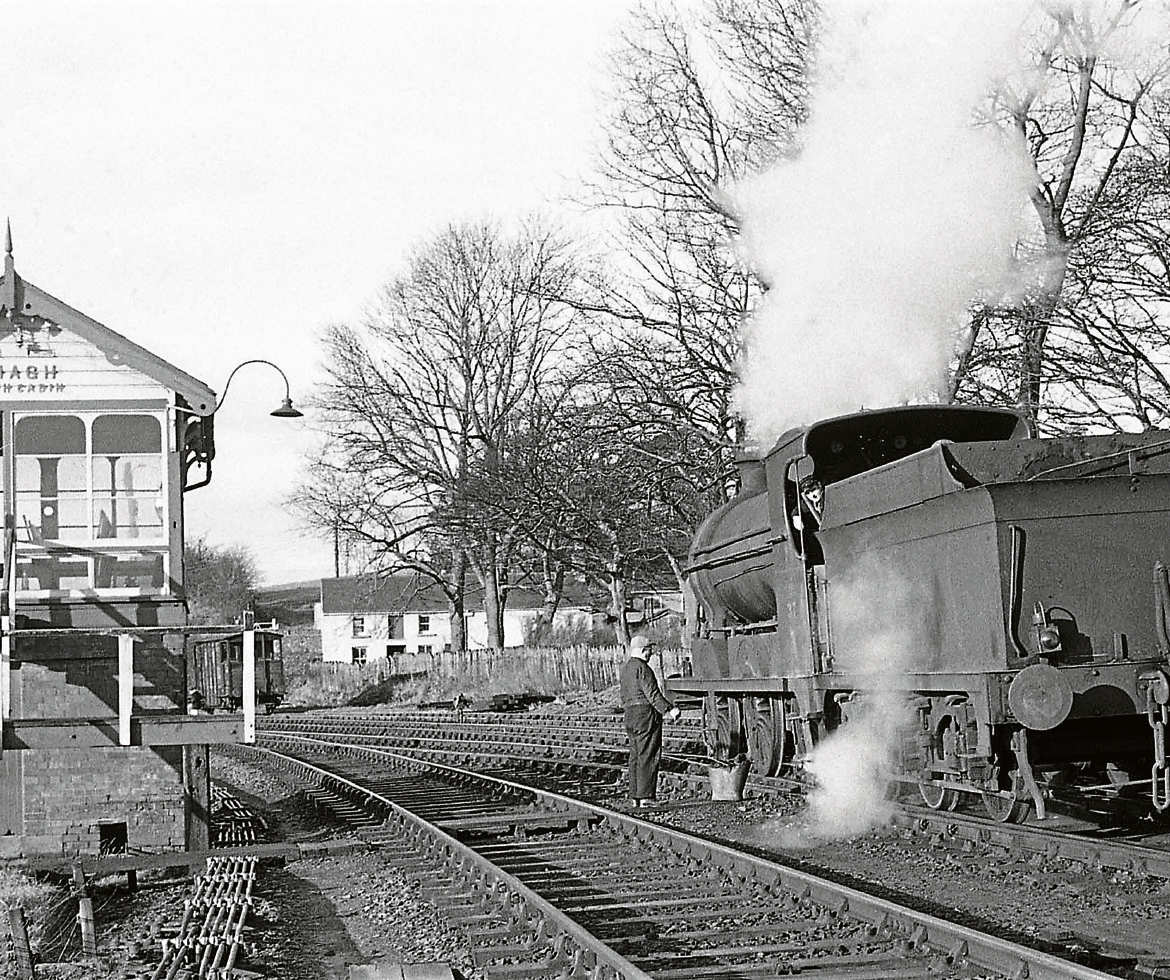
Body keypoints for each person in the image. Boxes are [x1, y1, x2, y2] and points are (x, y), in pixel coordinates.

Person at [620, 635, 681, 809]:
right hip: (646, 715)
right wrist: (669, 709)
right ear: (642, 650)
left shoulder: (625, 669)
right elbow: (652, 694)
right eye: (649, 650)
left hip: (630, 714)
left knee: (635, 756)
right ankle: (646, 797)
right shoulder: (643, 668)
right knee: (648, 755)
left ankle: (635, 797)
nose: (651, 654)